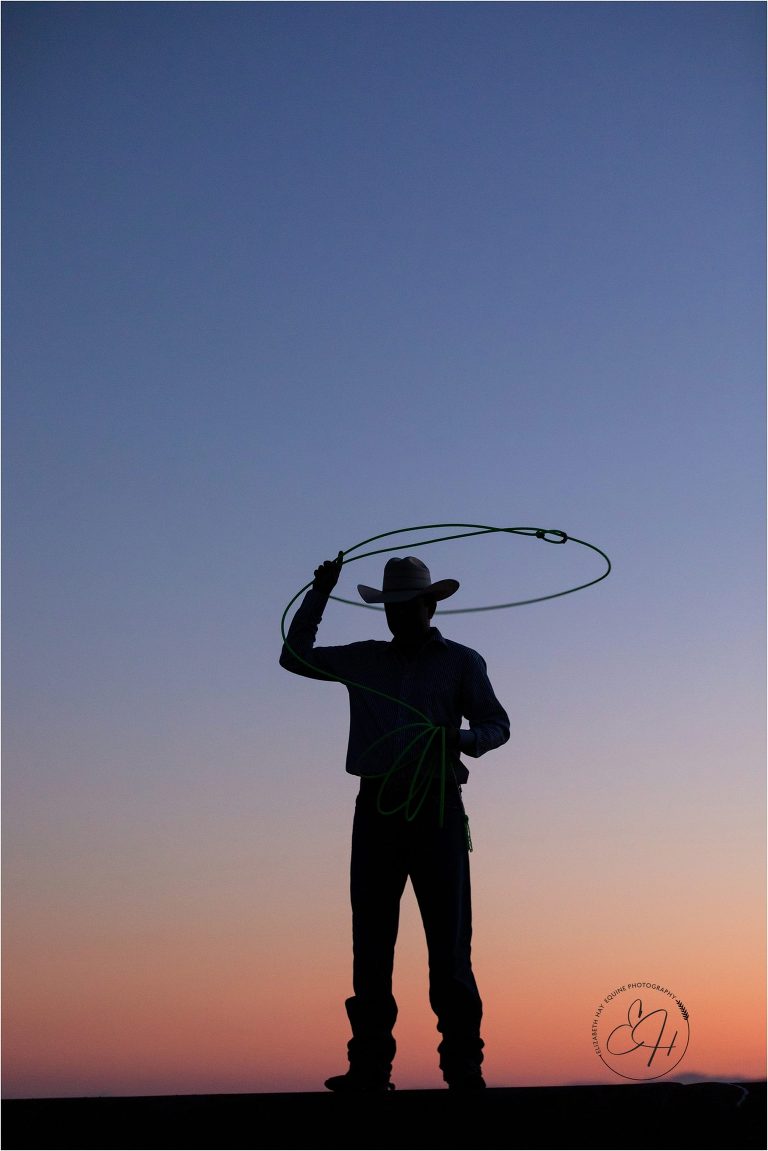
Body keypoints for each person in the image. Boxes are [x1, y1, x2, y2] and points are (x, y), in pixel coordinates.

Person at [279, 553, 510, 1092]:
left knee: (449, 946)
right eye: (393, 608)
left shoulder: (462, 662)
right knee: (372, 941)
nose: (400, 615)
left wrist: (463, 740)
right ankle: (370, 1068)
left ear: (430, 606)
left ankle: (462, 1069)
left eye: (409, 605)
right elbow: (294, 656)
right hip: (378, 806)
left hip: (437, 806)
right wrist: (320, 592)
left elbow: (497, 723)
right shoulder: (365, 660)